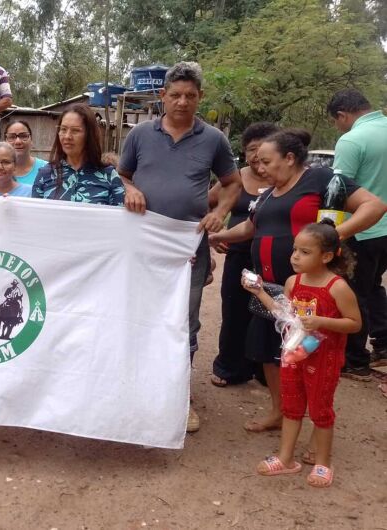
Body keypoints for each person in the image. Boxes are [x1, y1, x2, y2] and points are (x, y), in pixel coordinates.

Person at [209, 129, 386, 434]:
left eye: (266, 161)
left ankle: (317, 424)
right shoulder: (267, 193)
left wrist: (332, 238)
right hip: (271, 290)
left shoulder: (320, 180)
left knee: (309, 357)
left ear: (289, 158)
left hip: (309, 291)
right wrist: (216, 235)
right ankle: (280, 412)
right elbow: (251, 229)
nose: (259, 168)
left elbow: (374, 206)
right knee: (270, 352)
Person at [118, 62, 242, 433]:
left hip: (188, 245)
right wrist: (131, 189)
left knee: (183, 322)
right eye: (175, 95)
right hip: (141, 242)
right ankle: (135, 389)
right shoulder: (140, 134)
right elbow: (122, 174)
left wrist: (220, 212)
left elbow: (232, 183)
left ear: (200, 97)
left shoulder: (214, 139)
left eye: (190, 95)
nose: (182, 102)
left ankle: (179, 397)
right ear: (162, 97)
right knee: (137, 312)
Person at [244, 220, 361, 488]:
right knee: (292, 406)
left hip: (324, 360)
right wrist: (259, 291)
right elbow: (283, 313)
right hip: (293, 354)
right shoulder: (292, 281)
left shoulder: (337, 287)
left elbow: (355, 323)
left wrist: (322, 322)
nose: (295, 256)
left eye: (305, 252)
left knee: (320, 410)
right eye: (295, 250)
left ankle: (322, 463)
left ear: (327, 256)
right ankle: (286, 459)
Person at [209, 122, 280, 387]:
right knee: (234, 313)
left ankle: (265, 372)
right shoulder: (236, 177)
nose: (256, 156)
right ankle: (230, 367)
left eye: (262, 150)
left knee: (269, 315)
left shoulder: (285, 179)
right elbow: (208, 203)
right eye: (251, 149)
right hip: (239, 256)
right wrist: (214, 235)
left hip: (273, 260)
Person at [327, 88, 387, 379]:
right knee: (374, 286)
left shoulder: (352, 139)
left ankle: (356, 360)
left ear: (343, 114)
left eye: (336, 121)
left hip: (361, 230)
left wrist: (328, 232)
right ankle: (384, 347)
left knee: (354, 294)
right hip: (386, 231)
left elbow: (338, 191)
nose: (338, 126)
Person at [34, 104, 124, 205]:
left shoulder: (110, 176)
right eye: (63, 129)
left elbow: (118, 219)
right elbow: (35, 216)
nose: (67, 136)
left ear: (89, 135)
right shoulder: (45, 174)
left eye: (75, 130)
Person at [0, 120, 47, 189]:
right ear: (5, 141)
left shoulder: (47, 169)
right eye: (12, 137)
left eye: (23, 136)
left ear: (31, 140)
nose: (18, 141)